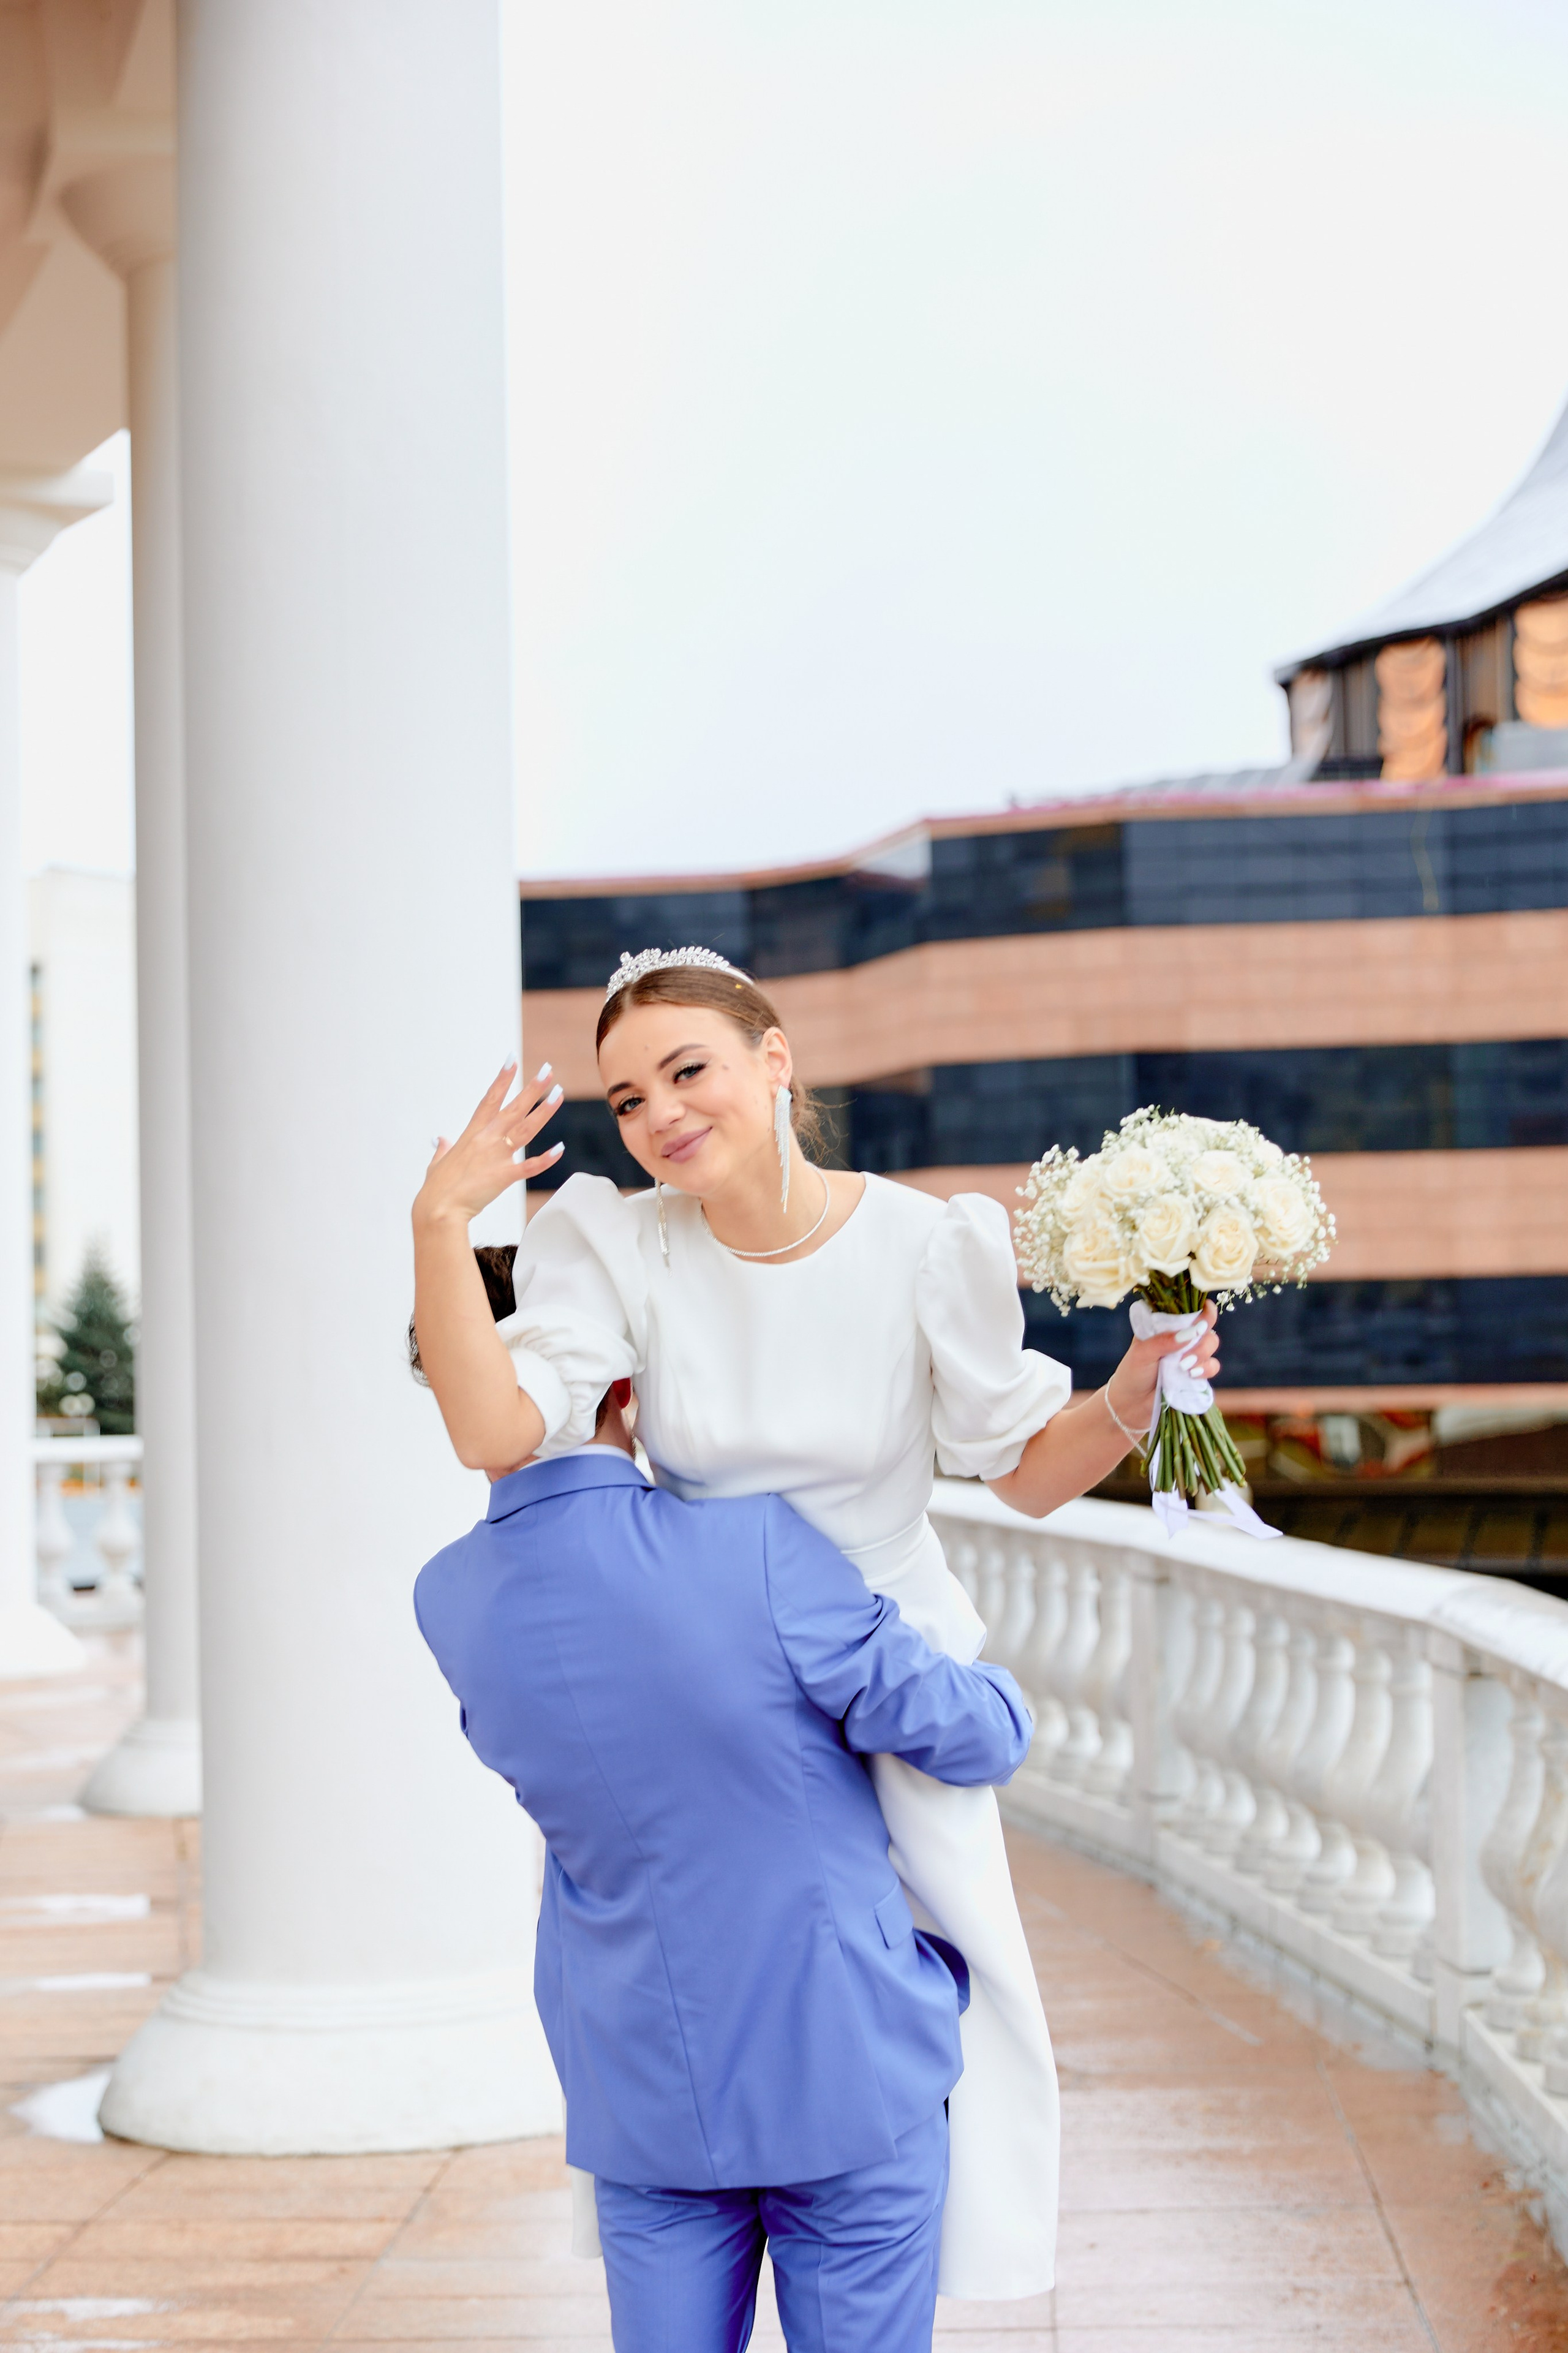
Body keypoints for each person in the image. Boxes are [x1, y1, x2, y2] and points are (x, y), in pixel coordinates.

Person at [410, 946, 1220, 2299]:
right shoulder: (611, 1242)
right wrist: (443, 1222)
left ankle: (899, 2268)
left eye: (687, 1070)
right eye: (624, 1099)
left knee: (944, 1990)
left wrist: (1137, 1385)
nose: (660, 1114)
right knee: (687, 1971)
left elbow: (1019, 1469)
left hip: (885, 1650)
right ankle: (684, 2231)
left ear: (773, 1058)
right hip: (707, 1656)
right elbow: (494, 1426)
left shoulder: (922, 1240)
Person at [413, 1377, 1035, 2353]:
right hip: (842, 2053)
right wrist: (985, 1671)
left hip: (640, 2079)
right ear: (624, 1382)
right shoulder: (749, 1544)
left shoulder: (449, 1595)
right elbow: (973, 1737)